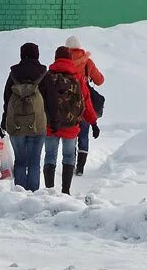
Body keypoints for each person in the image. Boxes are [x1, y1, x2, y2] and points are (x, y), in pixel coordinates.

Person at [41, 45, 98, 195]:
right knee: (68, 156)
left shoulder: (47, 76)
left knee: (50, 155)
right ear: (69, 59)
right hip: (71, 126)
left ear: (55, 58)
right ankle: (65, 191)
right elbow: (86, 101)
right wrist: (93, 122)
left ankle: (49, 190)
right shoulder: (77, 78)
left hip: (50, 125)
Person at [0, 42, 50, 192]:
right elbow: (50, 99)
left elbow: (7, 100)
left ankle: (19, 192)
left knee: (20, 160)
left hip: (16, 124)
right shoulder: (43, 73)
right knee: (34, 161)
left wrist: (3, 122)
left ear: (22, 55)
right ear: (37, 55)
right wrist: (51, 120)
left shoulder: (13, 74)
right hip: (37, 124)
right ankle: (33, 193)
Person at [65, 34, 104, 177]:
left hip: (68, 105)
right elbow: (100, 80)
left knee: (70, 135)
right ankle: (80, 168)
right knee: (84, 135)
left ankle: (70, 164)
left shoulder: (65, 61)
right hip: (85, 104)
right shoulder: (88, 62)